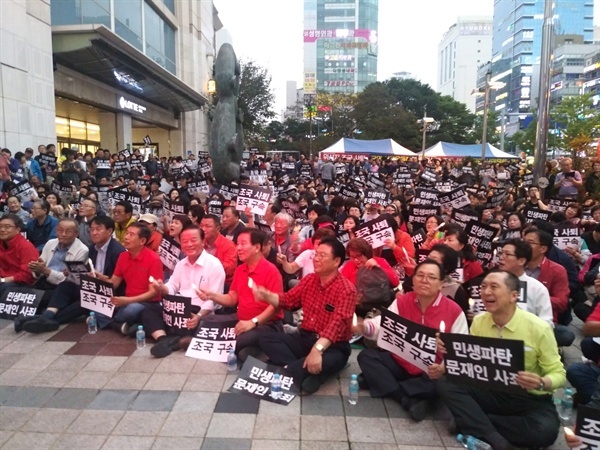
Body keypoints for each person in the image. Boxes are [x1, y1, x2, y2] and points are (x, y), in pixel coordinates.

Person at [437, 270, 566, 450]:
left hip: (529, 399)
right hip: (491, 391)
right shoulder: (480, 321)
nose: (486, 292)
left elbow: (559, 374)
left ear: (514, 296)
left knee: (544, 432)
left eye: (494, 287)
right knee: (446, 382)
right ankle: (494, 437)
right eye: (483, 287)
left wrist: (542, 382)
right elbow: (471, 365)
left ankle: (472, 422)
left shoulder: (539, 328)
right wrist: (451, 353)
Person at [356, 259, 468, 420]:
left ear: (441, 284)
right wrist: (365, 327)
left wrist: (443, 367)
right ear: (413, 279)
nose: (424, 280)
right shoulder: (403, 301)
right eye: (420, 275)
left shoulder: (454, 311)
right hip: (401, 362)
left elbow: (460, 350)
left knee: (442, 383)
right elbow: (383, 324)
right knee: (367, 357)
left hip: (430, 371)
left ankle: (383, 384)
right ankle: (405, 398)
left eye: (431, 277)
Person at [254, 237, 356, 394]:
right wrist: (266, 295)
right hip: (305, 338)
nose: (316, 259)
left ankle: (294, 369)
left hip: (332, 347)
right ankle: (302, 370)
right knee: (265, 338)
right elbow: (288, 300)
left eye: (322, 256)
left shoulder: (347, 290)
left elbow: (337, 325)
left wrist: (317, 350)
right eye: (316, 254)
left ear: (336, 261)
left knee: (330, 359)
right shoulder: (310, 280)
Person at [20, 216, 126, 333]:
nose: (94, 233)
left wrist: (101, 278)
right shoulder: (92, 249)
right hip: (92, 286)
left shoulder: (118, 251)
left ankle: (46, 319)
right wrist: (71, 272)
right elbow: (86, 273)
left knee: (86, 301)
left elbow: (115, 284)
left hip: (108, 292)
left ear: (110, 231)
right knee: (66, 285)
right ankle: (47, 317)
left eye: (98, 229)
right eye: (91, 229)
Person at [198, 228, 283, 361]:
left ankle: (256, 350)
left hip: (266, 324)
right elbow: (232, 299)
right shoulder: (240, 270)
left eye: (243, 244)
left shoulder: (271, 271)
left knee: (242, 338)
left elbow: (275, 307)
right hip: (241, 318)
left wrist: (253, 322)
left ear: (256, 247)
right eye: (237, 244)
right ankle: (249, 351)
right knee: (206, 321)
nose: (238, 248)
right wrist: (212, 295)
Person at [144, 226, 226, 358]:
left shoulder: (214, 265)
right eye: (184, 241)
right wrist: (162, 287)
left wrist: (198, 316)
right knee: (148, 310)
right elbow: (172, 286)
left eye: (193, 240)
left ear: (203, 241)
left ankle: (172, 338)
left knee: (203, 322)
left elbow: (214, 301)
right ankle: (164, 340)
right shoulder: (181, 264)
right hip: (178, 309)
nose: (189, 244)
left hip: (199, 311)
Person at [94, 222, 163, 334]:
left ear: (142, 241)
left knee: (132, 309)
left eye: (131, 235)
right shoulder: (123, 256)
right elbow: (114, 283)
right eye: (127, 233)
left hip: (147, 303)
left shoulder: (153, 259)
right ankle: (121, 326)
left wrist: (127, 300)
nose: (126, 237)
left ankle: (112, 323)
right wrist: (100, 278)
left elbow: (153, 293)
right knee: (96, 307)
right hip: (126, 300)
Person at [523, 229, 574, 347]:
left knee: (566, 335)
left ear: (543, 249)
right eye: (523, 241)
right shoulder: (514, 266)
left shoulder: (557, 270)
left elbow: (562, 303)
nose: (523, 246)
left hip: (543, 320)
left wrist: (533, 297)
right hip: (514, 318)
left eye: (530, 242)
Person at [28, 218, 89, 308]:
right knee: (23, 295)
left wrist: (46, 271)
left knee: (38, 300)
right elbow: (40, 269)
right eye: (60, 230)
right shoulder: (50, 243)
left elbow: (70, 279)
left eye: (68, 231)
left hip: (62, 287)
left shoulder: (82, 250)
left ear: (77, 233)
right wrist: (37, 269)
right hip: (44, 281)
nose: (63, 234)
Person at [497, 238, 553, 326]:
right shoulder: (491, 284)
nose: (501, 257)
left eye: (507, 254)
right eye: (501, 253)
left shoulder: (537, 288)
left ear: (521, 261)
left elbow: (547, 322)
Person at [0, 214, 38, 297]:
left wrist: (3, 280)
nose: (2, 230)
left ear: (17, 229)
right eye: (0, 226)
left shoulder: (26, 247)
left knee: (4, 287)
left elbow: (27, 275)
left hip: (20, 283)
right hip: (3, 279)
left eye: (7, 227)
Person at [200, 214, 237, 286]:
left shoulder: (229, 245)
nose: (203, 229)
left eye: (208, 226)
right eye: (201, 226)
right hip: (201, 280)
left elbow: (230, 269)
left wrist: (211, 264)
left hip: (222, 283)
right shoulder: (200, 242)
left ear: (218, 229)